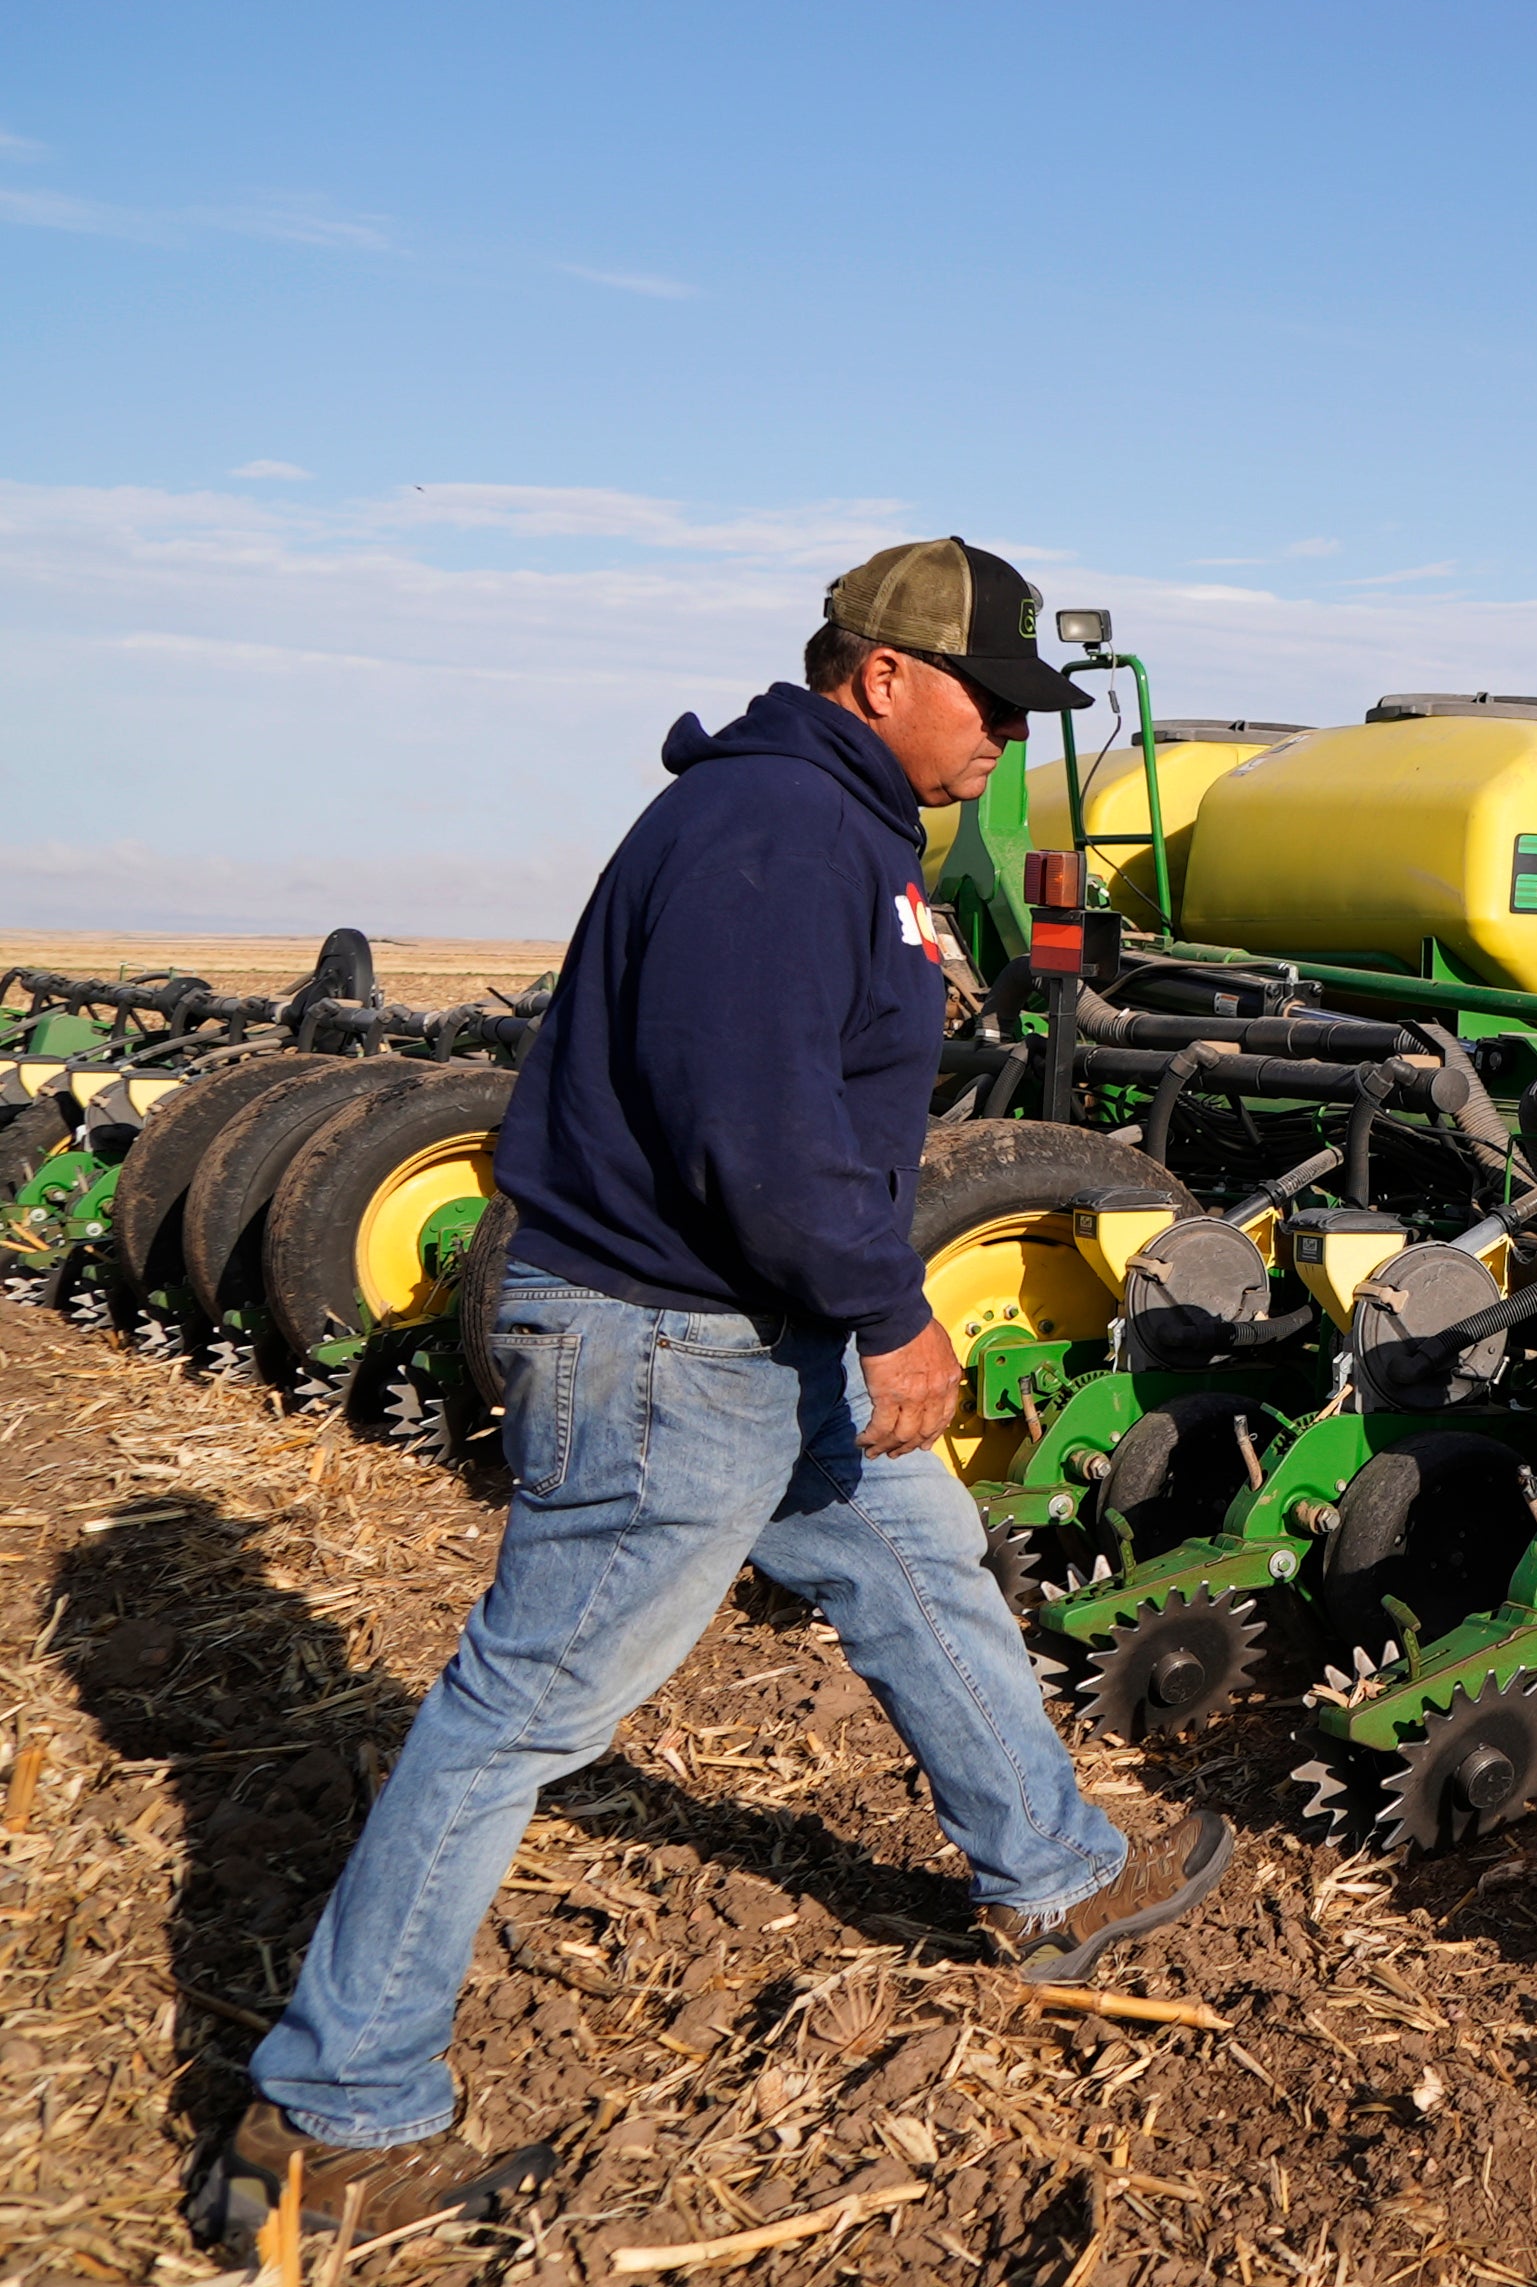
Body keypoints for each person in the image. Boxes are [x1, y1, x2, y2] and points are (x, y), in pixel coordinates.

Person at [206, 539, 1237, 2257]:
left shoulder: (824, 821)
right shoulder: (773, 830)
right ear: (877, 672)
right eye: (986, 699)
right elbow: (753, 1131)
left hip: (740, 1333)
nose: (1003, 734)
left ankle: (1053, 1872)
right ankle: (330, 2114)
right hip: (670, 1346)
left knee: (913, 1560)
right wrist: (891, 1311)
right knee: (517, 1712)